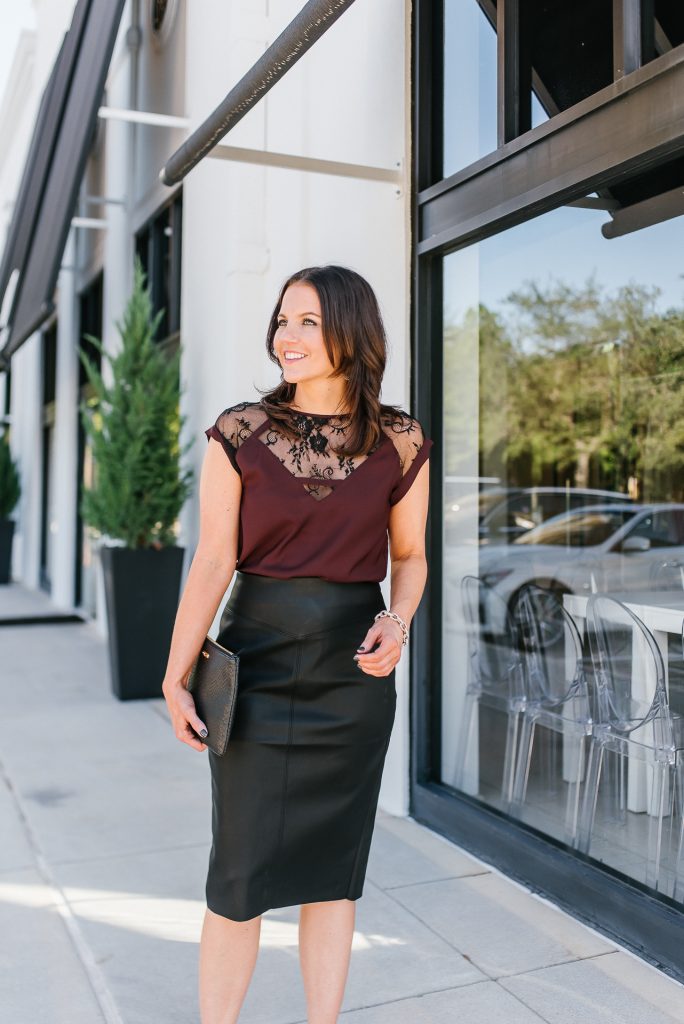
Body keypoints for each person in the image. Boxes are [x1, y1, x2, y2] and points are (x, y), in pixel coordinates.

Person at [162, 264, 433, 1024]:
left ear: (352, 329)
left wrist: (398, 620)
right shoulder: (241, 430)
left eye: (308, 320)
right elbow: (214, 557)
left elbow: (408, 558)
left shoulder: (402, 440)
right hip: (256, 665)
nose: (288, 335)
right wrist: (176, 672)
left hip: (351, 676)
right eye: (283, 319)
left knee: (332, 874)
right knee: (239, 875)